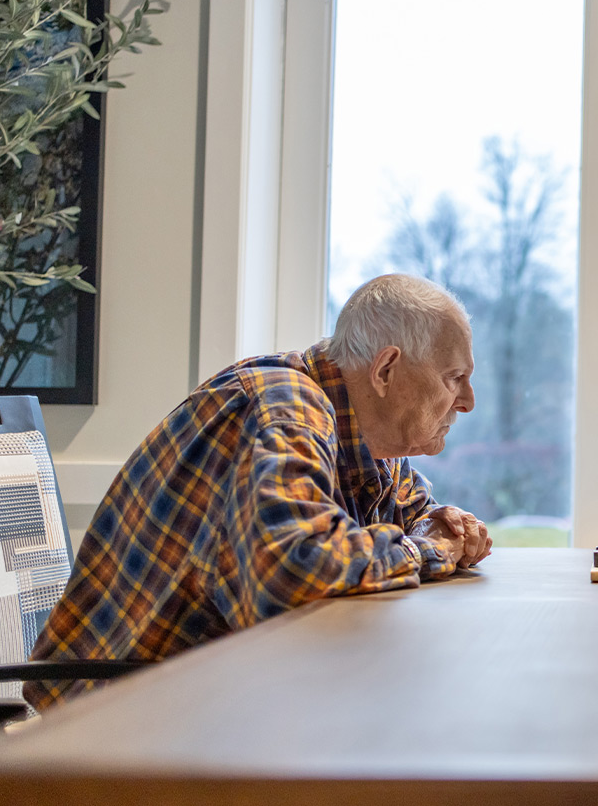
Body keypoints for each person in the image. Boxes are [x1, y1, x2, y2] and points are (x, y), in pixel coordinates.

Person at [27, 274, 494, 709]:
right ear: (386, 370)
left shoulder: (371, 441)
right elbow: (295, 567)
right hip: (112, 722)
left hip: (217, 697)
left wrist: (441, 530)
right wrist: (427, 549)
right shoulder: (287, 406)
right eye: (454, 378)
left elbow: (420, 515)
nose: (468, 401)